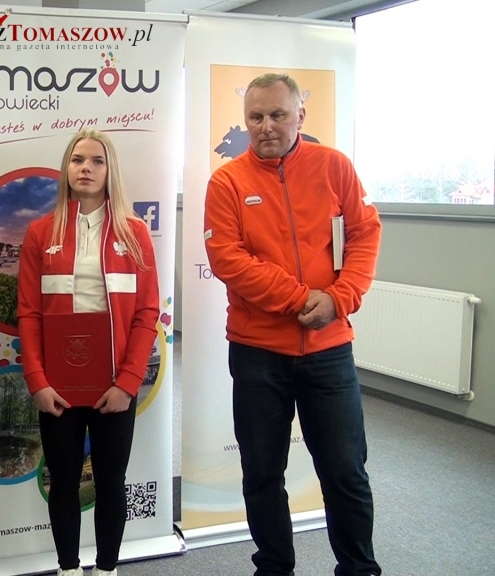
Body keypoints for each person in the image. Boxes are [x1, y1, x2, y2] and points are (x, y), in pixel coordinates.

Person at [204, 73, 383, 576]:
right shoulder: (227, 182)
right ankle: (274, 568)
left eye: (277, 115)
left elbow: (365, 234)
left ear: (300, 115)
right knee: (262, 474)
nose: (266, 126)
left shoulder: (334, 167)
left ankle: (360, 569)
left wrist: (339, 300)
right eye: (255, 117)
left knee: (346, 471)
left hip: (329, 350)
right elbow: (228, 259)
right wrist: (303, 299)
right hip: (258, 353)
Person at [17, 129, 160, 576]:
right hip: (57, 387)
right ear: (66, 168)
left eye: (97, 161)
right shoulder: (41, 233)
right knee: (62, 480)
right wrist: (37, 381)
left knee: (111, 482)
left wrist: (129, 383)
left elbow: (147, 313)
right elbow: (29, 314)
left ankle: (107, 569)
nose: (86, 168)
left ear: (109, 170)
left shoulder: (135, 234)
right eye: (77, 159)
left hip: (116, 385)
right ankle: (67, 569)